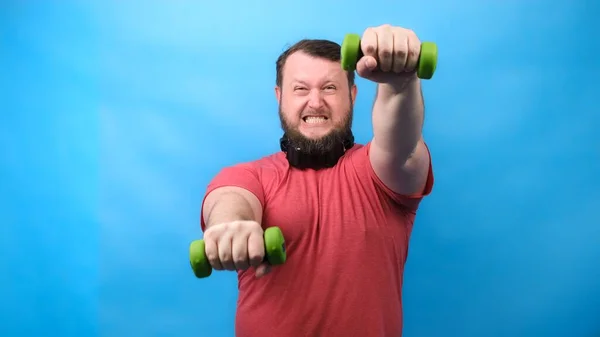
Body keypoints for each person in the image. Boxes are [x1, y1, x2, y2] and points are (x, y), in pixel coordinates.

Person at [200, 24, 434, 337]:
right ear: (279, 96)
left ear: (352, 95)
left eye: (329, 88)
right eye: (300, 89)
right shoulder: (249, 175)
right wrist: (231, 225)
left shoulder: (382, 171)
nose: (315, 102)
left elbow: (402, 145)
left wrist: (401, 83)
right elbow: (230, 200)